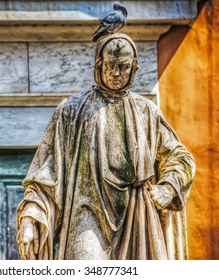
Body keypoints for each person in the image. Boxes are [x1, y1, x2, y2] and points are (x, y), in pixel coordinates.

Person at [16, 33, 195, 260]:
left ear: (134, 68)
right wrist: (30, 217)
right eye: (110, 65)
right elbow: (46, 171)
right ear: (99, 65)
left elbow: (180, 157)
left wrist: (167, 188)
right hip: (86, 215)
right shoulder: (71, 111)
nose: (116, 73)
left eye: (124, 66)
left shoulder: (146, 112)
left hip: (137, 213)